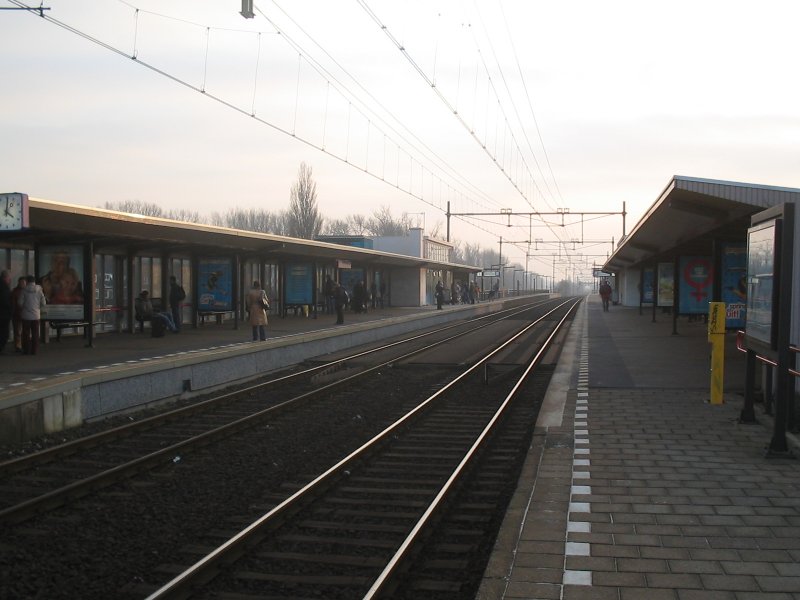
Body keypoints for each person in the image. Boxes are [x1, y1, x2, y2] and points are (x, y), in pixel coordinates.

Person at [18, 275, 46, 355]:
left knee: (26, 334)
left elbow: (20, 302)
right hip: (36, 316)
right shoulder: (39, 290)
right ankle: (35, 351)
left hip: (26, 316)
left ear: (27, 281)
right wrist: (38, 308)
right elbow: (44, 303)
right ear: (34, 281)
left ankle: (26, 350)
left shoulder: (24, 290)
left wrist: (25, 307)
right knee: (35, 333)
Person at [11, 276, 25, 352]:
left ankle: (22, 345)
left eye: (23, 282)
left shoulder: (25, 291)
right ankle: (18, 346)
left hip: (24, 315)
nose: (22, 284)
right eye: (21, 282)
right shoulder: (15, 292)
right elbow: (13, 304)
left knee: (22, 331)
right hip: (17, 314)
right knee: (17, 332)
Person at [0, 270, 11, 354]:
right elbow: (5, 300)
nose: (10, 280)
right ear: (6, 277)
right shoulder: (4, 287)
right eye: (9, 278)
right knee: (4, 333)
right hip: (4, 314)